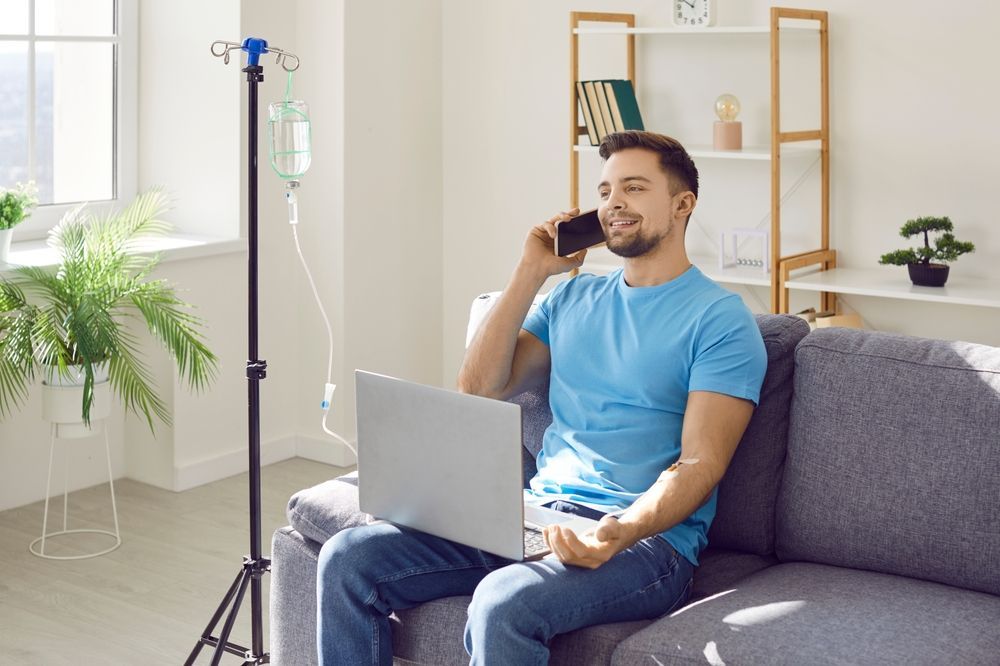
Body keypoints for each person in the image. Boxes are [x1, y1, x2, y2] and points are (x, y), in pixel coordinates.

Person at [316, 130, 768, 665]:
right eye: (604, 191)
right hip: (534, 514)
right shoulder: (573, 295)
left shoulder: (720, 319)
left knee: (501, 601)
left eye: (634, 187)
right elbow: (481, 388)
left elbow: (701, 462)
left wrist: (622, 530)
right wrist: (531, 271)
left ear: (682, 203)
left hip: (646, 546)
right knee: (346, 557)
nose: (613, 203)